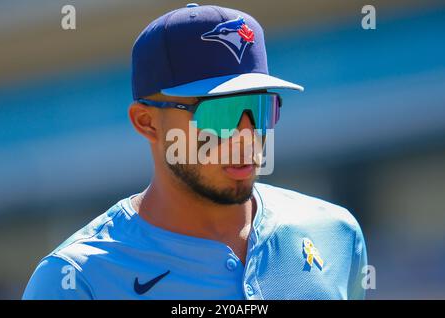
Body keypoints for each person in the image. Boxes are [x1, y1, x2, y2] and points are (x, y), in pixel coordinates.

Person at [23, 3, 367, 300]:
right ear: (147, 122)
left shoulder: (335, 232)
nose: (246, 136)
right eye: (219, 113)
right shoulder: (76, 280)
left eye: (259, 109)